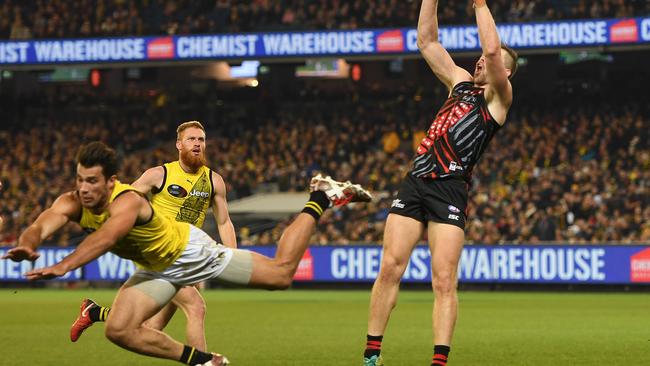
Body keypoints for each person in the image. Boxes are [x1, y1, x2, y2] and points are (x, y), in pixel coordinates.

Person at [3, 141, 371, 366]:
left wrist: (64, 265)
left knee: (281, 275)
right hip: (155, 268)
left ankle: (321, 195)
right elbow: (42, 222)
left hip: (188, 252)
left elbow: (104, 240)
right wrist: (29, 243)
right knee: (119, 330)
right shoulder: (71, 200)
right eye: (80, 179)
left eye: (92, 181)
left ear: (111, 181)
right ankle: (204, 361)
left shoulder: (127, 201)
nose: (83, 189)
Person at [364, 1, 517, 365]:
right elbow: (427, 41)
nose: (481, 60)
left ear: (506, 74)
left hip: (450, 188)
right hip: (416, 181)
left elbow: (494, 49)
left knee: (444, 280)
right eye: (477, 58)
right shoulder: (461, 83)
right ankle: (371, 354)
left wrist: (480, 5)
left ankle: (439, 361)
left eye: (488, 61)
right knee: (389, 268)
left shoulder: (499, 98)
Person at [70, 121, 237, 353]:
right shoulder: (160, 174)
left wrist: (232, 257)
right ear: (179, 144)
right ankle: (204, 361)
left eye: (201, 139)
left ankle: (95, 312)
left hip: (188, 254)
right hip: (160, 252)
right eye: (191, 139)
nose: (197, 144)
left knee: (149, 326)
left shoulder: (214, 180)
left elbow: (224, 222)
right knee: (196, 307)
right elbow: (124, 200)